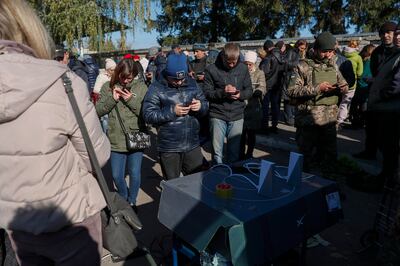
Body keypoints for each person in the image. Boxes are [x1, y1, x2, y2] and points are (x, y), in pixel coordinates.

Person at [0, 1, 110, 265]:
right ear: (27, 28)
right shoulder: (62, 82)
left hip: (17, 221)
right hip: (70, 217)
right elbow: (97, 155)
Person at [287, 32, 348, 172]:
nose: (328, 55)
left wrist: (343, 88)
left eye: (331, 51)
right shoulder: (302, 66)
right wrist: (317, 88)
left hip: (329, 121)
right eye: (324, 52)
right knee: (306, 161)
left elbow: (343, 83)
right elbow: (291, 91)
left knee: (329, 158)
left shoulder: (333, 65)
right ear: (316, 49)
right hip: (309, 122)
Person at [143, 54, 208, 179]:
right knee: (172, 185)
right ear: (167, 74)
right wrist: (172, 111)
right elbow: (148, 114)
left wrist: (201, 106)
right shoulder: (156, 88)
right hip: (169, 147)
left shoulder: (192, 83)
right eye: (175, 79)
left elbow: (205, 105)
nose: (179, 82)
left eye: (182, 79)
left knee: (197, 182)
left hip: (192, 144)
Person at [95, 58, 148, 211]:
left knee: (135, 173)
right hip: (116, 137)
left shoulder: (141, 88)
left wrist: (131, 100)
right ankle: (124, 197)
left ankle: (132, 202)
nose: (125, 81)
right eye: (122, 77)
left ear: (134, 75)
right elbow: (98, 111)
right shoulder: (107, 87)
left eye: (129, 78)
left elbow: (146, 114)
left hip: (137, 137)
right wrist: (112, 99)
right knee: (117, 175)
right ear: (117, 73)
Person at [203, 43, 253, 164]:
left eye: (234, 62)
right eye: (228, 62)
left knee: (234, 152)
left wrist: (240, 95)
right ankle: (216, 177)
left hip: (237, 115)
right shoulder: (211, 69)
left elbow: (249, 90)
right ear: (223, 57)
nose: (231, 65)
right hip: (217, 114)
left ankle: (232, 178)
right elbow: (207, 93)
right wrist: (223, 92)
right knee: (217, 153)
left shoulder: (243, 68)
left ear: (238, 58)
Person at [354, 21, 397, 160]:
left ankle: (390, 165)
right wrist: (375, 80)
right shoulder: (377, 51)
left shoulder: (397, 51)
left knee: (389, 134)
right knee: (371, 126)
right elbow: (375, 71)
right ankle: (370, 152)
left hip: (392, 98)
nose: (386, 36)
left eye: (389, 32)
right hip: (375, 95)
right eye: (383, 33)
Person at [240, 51, 267, 159]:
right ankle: (240, 153)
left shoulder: (259, 73)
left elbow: (263, 86)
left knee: (251, 133)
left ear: (254, 63)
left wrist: (259, 91)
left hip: (253, 107)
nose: (247, 66)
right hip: (241, 107)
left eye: (249, 64)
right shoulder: (240, 72)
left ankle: (249, 153)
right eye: (245, 64)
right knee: (241, 134)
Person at [259, 39, 285, 133]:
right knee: (275, 106)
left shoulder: (269, 57)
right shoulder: (283, 56)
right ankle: (274, 126)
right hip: (278, 85)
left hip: (268, 85)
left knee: (265, 107)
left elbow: (263, 73)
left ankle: (264, 127)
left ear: (267, 48)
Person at [337, 40, 363, 129]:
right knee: (345, 103)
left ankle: (333, 120)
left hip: (339, 82)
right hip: (351, 83)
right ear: (356, 46)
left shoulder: (342, 54)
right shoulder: (358, 57)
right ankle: (339, 121)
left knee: (338, 101)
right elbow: (360, 73)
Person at [349, 44, 375, 127]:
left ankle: (356, 121)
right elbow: (365, 74)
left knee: (355, 104)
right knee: (363, 105)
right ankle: (361, 122)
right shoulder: (369, 61)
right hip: (365, 85)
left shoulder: (360, 59)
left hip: (358, 84)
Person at [93, 58, 117, 133]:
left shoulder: (115, 75)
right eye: (112, 70)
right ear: (107, 69)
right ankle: (106, 135)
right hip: (104, 101)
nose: (113, 72)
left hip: (113, 100)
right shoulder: (101, 77)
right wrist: (106, 91)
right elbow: (95, 90)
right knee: (105, 119)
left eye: (114, 70)